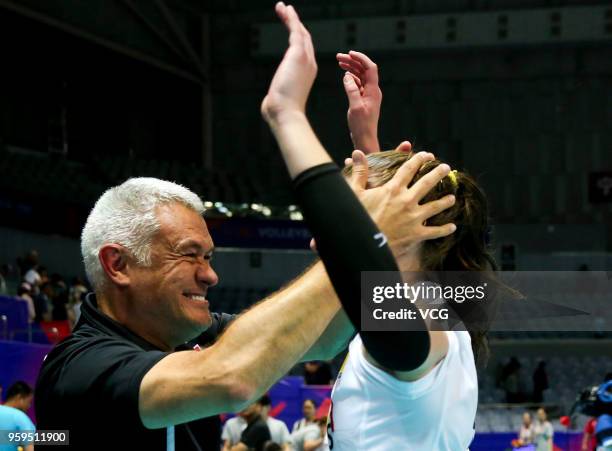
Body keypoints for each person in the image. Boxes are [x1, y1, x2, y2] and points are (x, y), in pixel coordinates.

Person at [34, 7, 454, 449]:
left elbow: (326, 337)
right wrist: (361, 235)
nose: (210, 274)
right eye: (189, 254)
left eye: (209, 257)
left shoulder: (190, 332)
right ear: (117, 264)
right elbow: (231, 377)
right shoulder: (80, 369)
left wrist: (368, 164)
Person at [260, 4, 492, 450]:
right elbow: (376, 249)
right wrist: (367, 144)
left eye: (345, 218)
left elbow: (365, 259)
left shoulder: (415, 330)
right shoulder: (431, 312)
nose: (319, 237)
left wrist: (287, 114)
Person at [0, 381, 35, 451]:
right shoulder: (20, 417)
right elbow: (30, 448)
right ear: (19, 398)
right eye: (29, 402)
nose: (29, 406)